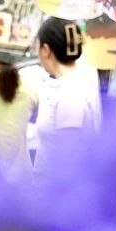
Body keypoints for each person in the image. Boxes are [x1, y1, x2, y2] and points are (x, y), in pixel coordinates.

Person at [32, 18, 101, 172]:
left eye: (37, 47)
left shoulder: (70, 93)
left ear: (46, 50)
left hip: (56, 184)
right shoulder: (81, 78)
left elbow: (68, 156)